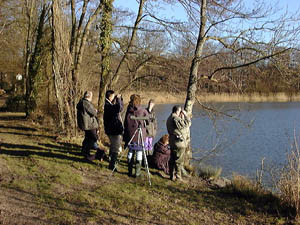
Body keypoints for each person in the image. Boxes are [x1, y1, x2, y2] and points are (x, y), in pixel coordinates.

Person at [123, 94, 149, 177]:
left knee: (130, 151)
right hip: (140, 135)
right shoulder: (143, 110)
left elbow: (125, 123)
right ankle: (137, 173)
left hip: (130, 134)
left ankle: (129, 171)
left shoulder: (128, 109)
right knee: (139, 152)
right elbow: (147, 122)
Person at [76, 91, 105, 161]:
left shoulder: (81, 102)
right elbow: (94, 113)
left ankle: (84, 152)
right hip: (90, 125)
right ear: (89, 96)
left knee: (87, 138)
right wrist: (96, 110)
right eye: (91, 96)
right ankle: (90, 155)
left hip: (86, 124)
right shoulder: (86, 103)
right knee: (94, 139)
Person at [166, 105, 191, 182]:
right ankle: (178, 177)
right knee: (179, 160)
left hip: (172, 141)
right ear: (177, 111)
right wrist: (186, 115)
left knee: (172, 158)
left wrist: (182, 117)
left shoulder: (169, 118)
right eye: (180, 111)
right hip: (178, 143)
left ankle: (171, 175)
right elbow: (187, 124)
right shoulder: (175, 118)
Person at [103, 90, 124, 170]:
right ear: (110, 96)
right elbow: (119, 108)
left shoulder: (108, 104)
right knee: (116, 147)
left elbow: (119, 108)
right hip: (114, 130)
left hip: (111, 129)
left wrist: (119, 100)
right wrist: (119, 100)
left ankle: (110, 160)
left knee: (113, 146)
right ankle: (112, 165)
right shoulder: (108, 105)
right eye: (113, 96)